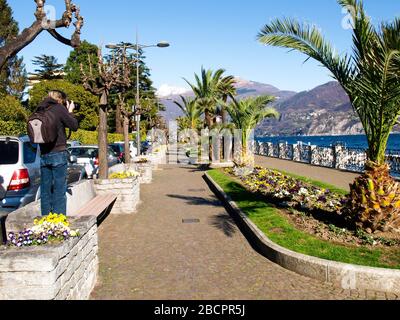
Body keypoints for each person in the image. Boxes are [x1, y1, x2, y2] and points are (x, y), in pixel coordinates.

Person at [37, 90, 79, 216]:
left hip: (44, 154)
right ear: (60, 99)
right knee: (59, 189)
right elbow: (74, 126)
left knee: (45, 190)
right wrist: (69, 111)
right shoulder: (59, 108)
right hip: (58, 153)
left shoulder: (40, 108)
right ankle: (59, 223)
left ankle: (46, 220)